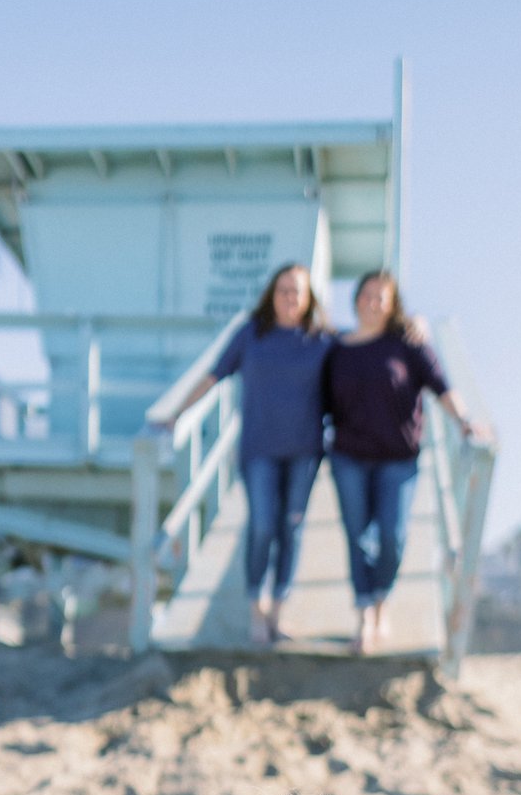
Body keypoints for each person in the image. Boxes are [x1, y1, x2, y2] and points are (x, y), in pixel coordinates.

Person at [323, 270, 484, 654]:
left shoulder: (409, 343)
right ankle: (365, 616)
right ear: (356, 298)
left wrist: (464, 423)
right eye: (367, 295)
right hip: (348, 457)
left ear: (393, 304)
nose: (373, 303)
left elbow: (442, 386)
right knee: (357, 536)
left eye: (382, 297)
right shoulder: (337, 348)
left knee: (392, 536)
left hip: (399, 459)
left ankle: (382, 603)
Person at [178, 264, 330, 645]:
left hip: (304, 451)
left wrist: (416, 329)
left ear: (309, 297)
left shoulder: (323, 340)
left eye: (297, 291)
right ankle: (256, 611)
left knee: (290, 528)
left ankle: (279, 612)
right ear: (271, 294)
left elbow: (364, 359)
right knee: (262, 525)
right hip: (259, 448)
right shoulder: (251, 333)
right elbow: (215, 375)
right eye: (283, 290)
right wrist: (177, 412)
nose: (290, 298)